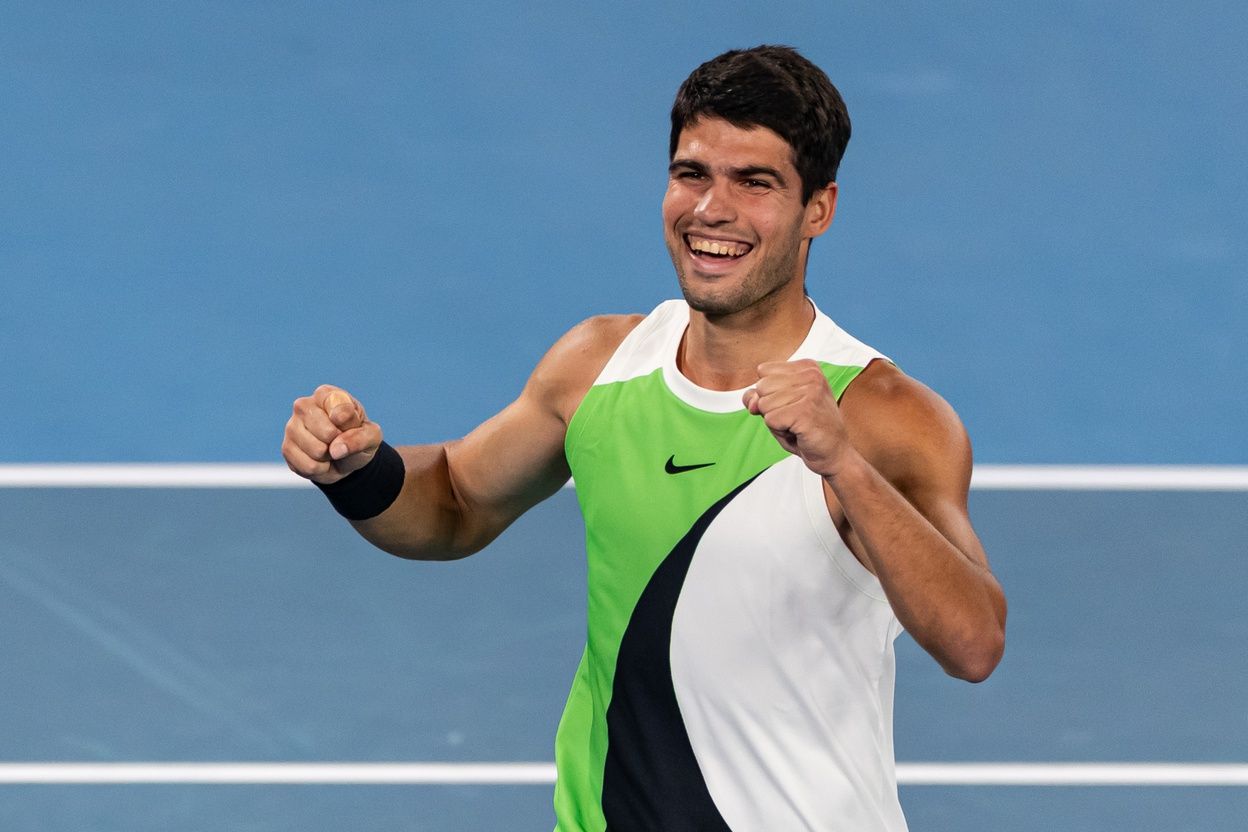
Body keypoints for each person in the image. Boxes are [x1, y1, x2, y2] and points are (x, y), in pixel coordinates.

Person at [282, 45, 1006, 832]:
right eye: (693, 173)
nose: (711, 210)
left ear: (818, 210)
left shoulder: (885, 414)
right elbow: (455, 502)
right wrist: (357, 470)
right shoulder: (597, 366)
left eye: (755, 182)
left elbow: (973, 644)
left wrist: (844, 467)